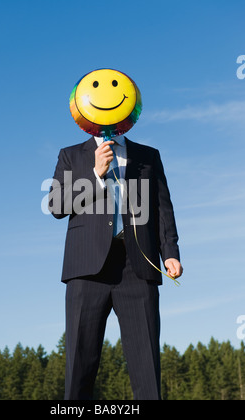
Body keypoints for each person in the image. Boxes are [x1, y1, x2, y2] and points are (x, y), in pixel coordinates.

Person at [48, 69, 183, 400]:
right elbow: (56, 205)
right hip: (86, 270)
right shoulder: (71, 155)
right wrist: (94, 174)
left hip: (138, 266)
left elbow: (163, 207)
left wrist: (171, 251)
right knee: (80, 366)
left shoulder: (147, 156)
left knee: (146, 367)